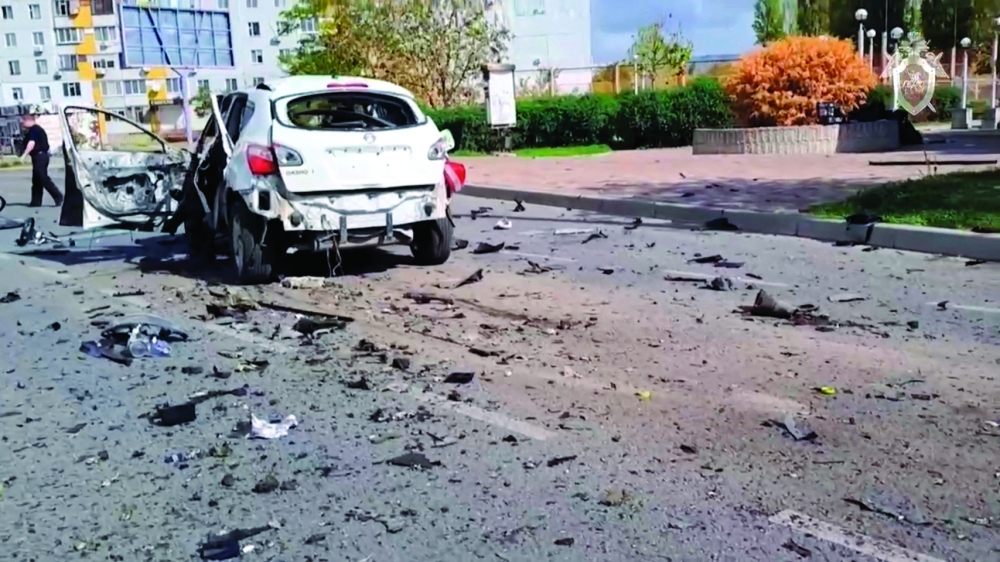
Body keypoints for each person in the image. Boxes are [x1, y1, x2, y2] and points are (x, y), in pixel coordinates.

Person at [19, 111, 63, 207]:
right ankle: (36, 201)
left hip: (40, 156)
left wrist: (24, 155)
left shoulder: (35, 130)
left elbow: (31, 143)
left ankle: (58, 196)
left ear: (28, 120)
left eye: (22, 122)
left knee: (42, 177)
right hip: (38, 156)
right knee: (36, 179)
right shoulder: (34, 130)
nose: (21, 124)